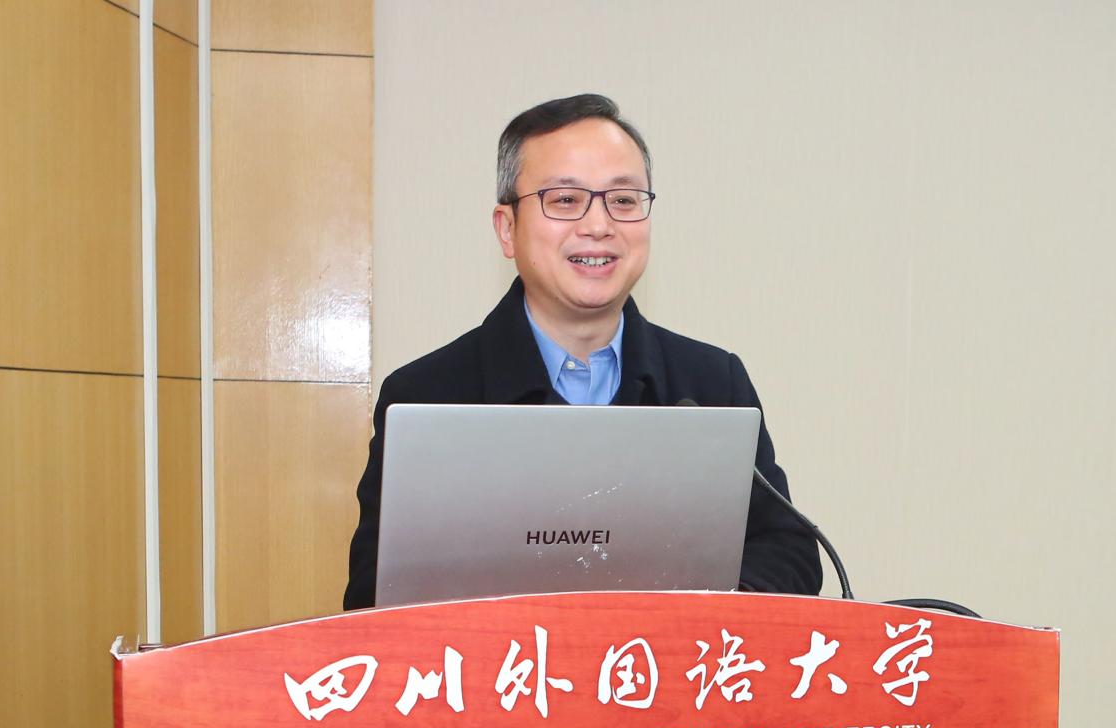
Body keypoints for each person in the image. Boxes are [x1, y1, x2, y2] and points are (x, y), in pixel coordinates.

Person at [343, 94, 820, 610]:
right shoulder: (427, 396)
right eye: (566, 200)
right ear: (507, 228)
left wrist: (689, 611)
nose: (598, 225)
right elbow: (372, 596)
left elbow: (790, 553)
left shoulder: (710, 384)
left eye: (624, 200)